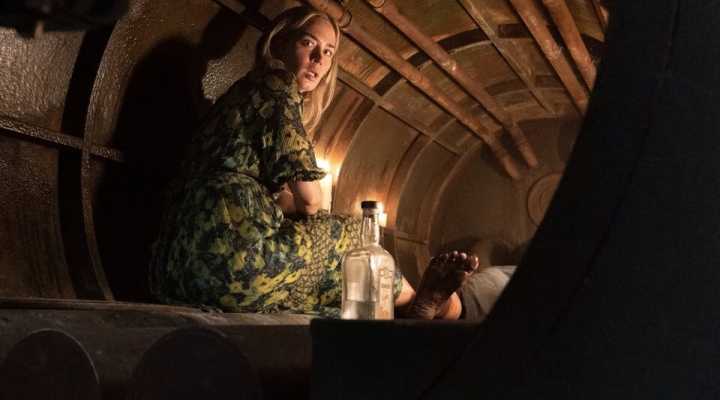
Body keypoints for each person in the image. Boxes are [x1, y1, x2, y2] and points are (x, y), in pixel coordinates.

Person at [149, 6, 479, 319]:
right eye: (308, 43)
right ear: (279, 43)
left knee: (332, 275)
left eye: (329, 51)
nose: (319, 59)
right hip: (231, 255)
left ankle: (420, 306)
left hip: (176, 269)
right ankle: (427, 305)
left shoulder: (241, 94)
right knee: (354, 236)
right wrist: (301, 207)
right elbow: (309, 201)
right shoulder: (276, 85)